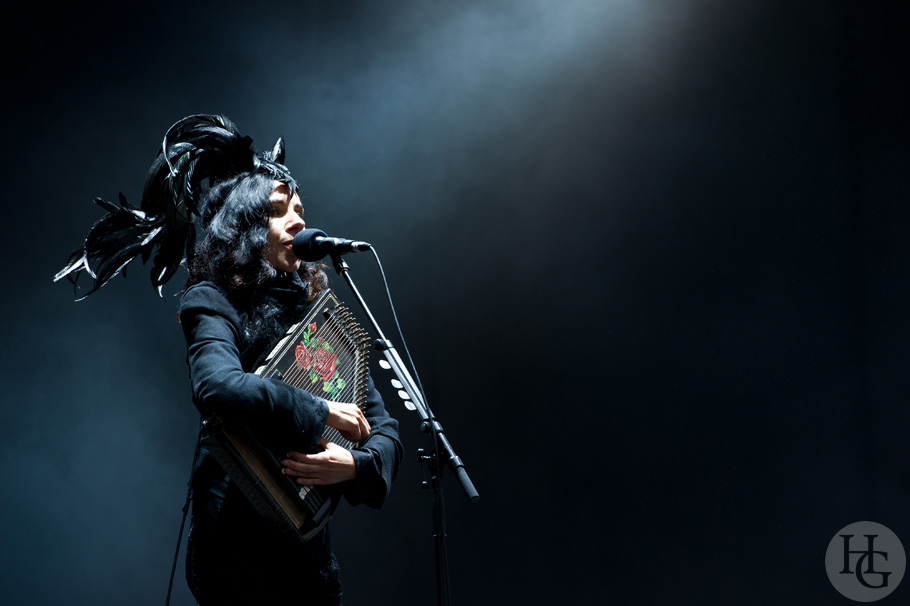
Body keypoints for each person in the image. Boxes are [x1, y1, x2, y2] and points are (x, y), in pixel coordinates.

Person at [56, 114, 402, 605]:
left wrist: (355, 466)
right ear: (244, 224)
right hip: (235, 549)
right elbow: (217, 384)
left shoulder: (322, 322)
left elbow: (383, 428)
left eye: (301, 208)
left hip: (307, 552)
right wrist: (321, 411)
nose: (300, 220)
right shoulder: (211, 300)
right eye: (280, 209)